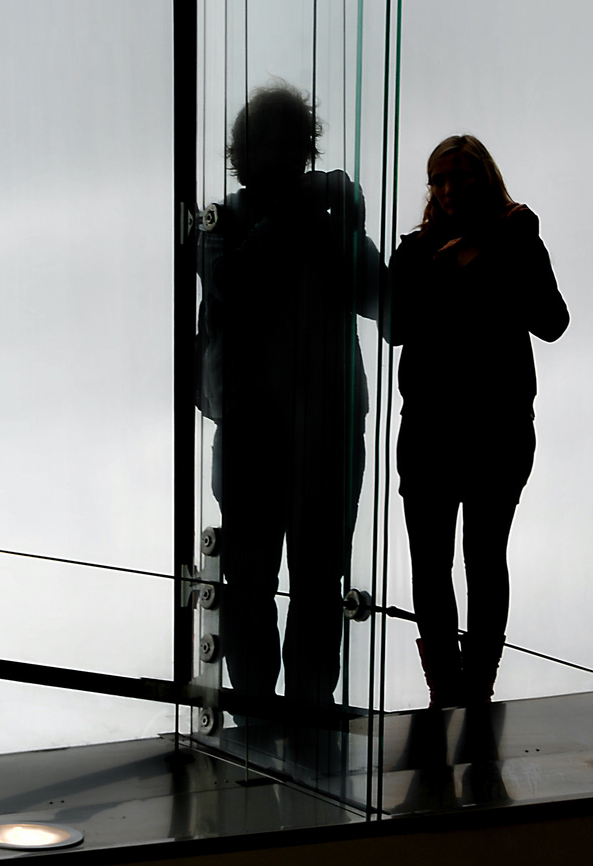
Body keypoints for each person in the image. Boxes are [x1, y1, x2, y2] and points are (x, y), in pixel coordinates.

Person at [195, 81, 383, 715]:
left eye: (289, 143)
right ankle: (277, 712)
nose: (283, 155)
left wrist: (347, 227)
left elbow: (381, 299)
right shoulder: (227, 224)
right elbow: (232, 287)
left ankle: (290, 712)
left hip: (301, 428)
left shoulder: (263, 221)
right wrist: (311, 215)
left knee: (302, 581)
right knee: (264, 581)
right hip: (270, 427)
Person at [389, 134, 569, 708]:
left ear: (483, 179)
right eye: (438, 180)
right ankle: (450, 686)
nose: (445, 190)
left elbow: (552, 319)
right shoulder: (417, 253)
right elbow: (396, 327)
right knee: (439, 560)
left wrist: (490, 261)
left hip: (492, 428)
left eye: (458, 177)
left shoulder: (513, 239)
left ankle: (473, 683)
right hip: (437, 429)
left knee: (480, 557)